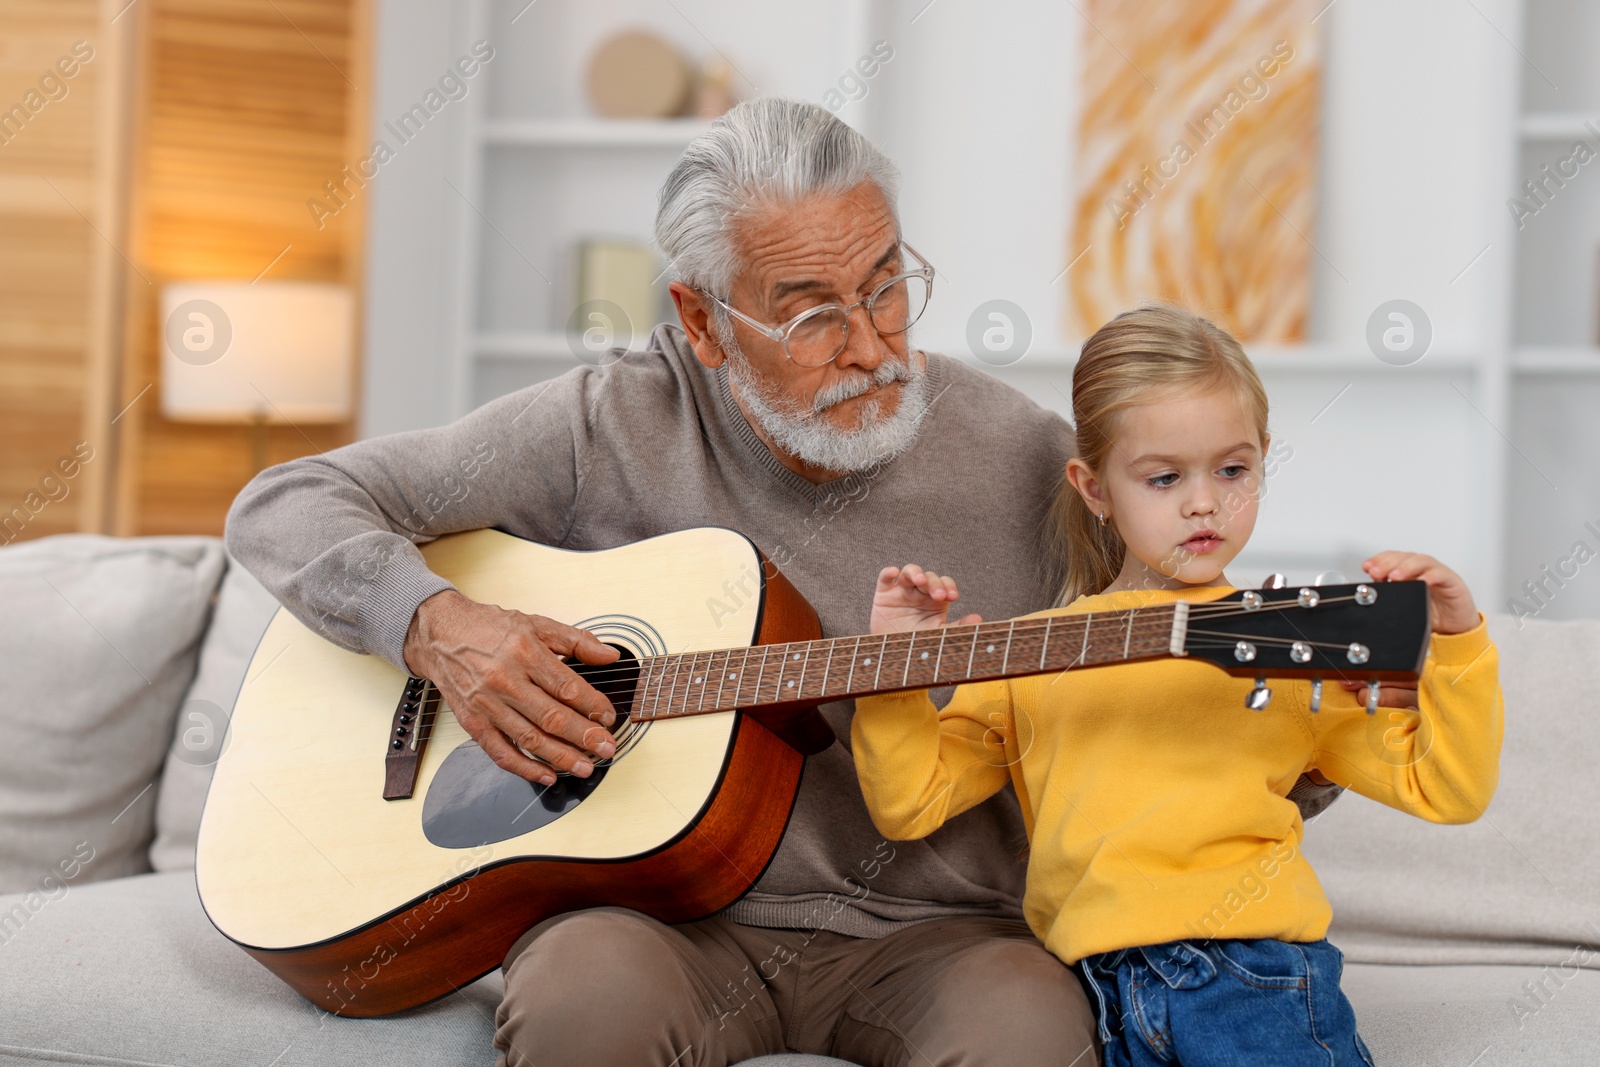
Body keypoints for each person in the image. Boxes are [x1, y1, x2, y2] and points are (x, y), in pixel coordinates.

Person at [225, 101, 1351, 1066]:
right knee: (579, 1001)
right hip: (662, 914)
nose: (872, 346)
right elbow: (284, 501)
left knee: (1029, 1032)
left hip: (943, 929)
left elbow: (1202, 691)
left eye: (888, 285)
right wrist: (436, 625)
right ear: (704, 321)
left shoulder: (1033, 462)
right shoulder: (602, 423)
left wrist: (1312, 732)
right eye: (813, 311)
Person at [849, 304, 1506, 1066]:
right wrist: (891, 675)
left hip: (1252, 978)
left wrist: (1458, 643)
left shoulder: (1291, 646)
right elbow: (907, 804)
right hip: (1097, 996)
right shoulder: (1030, 656)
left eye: (1233, 469)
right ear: (1094, 488)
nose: (1204, 502)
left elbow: (1448, 789)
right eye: (1163, 477)